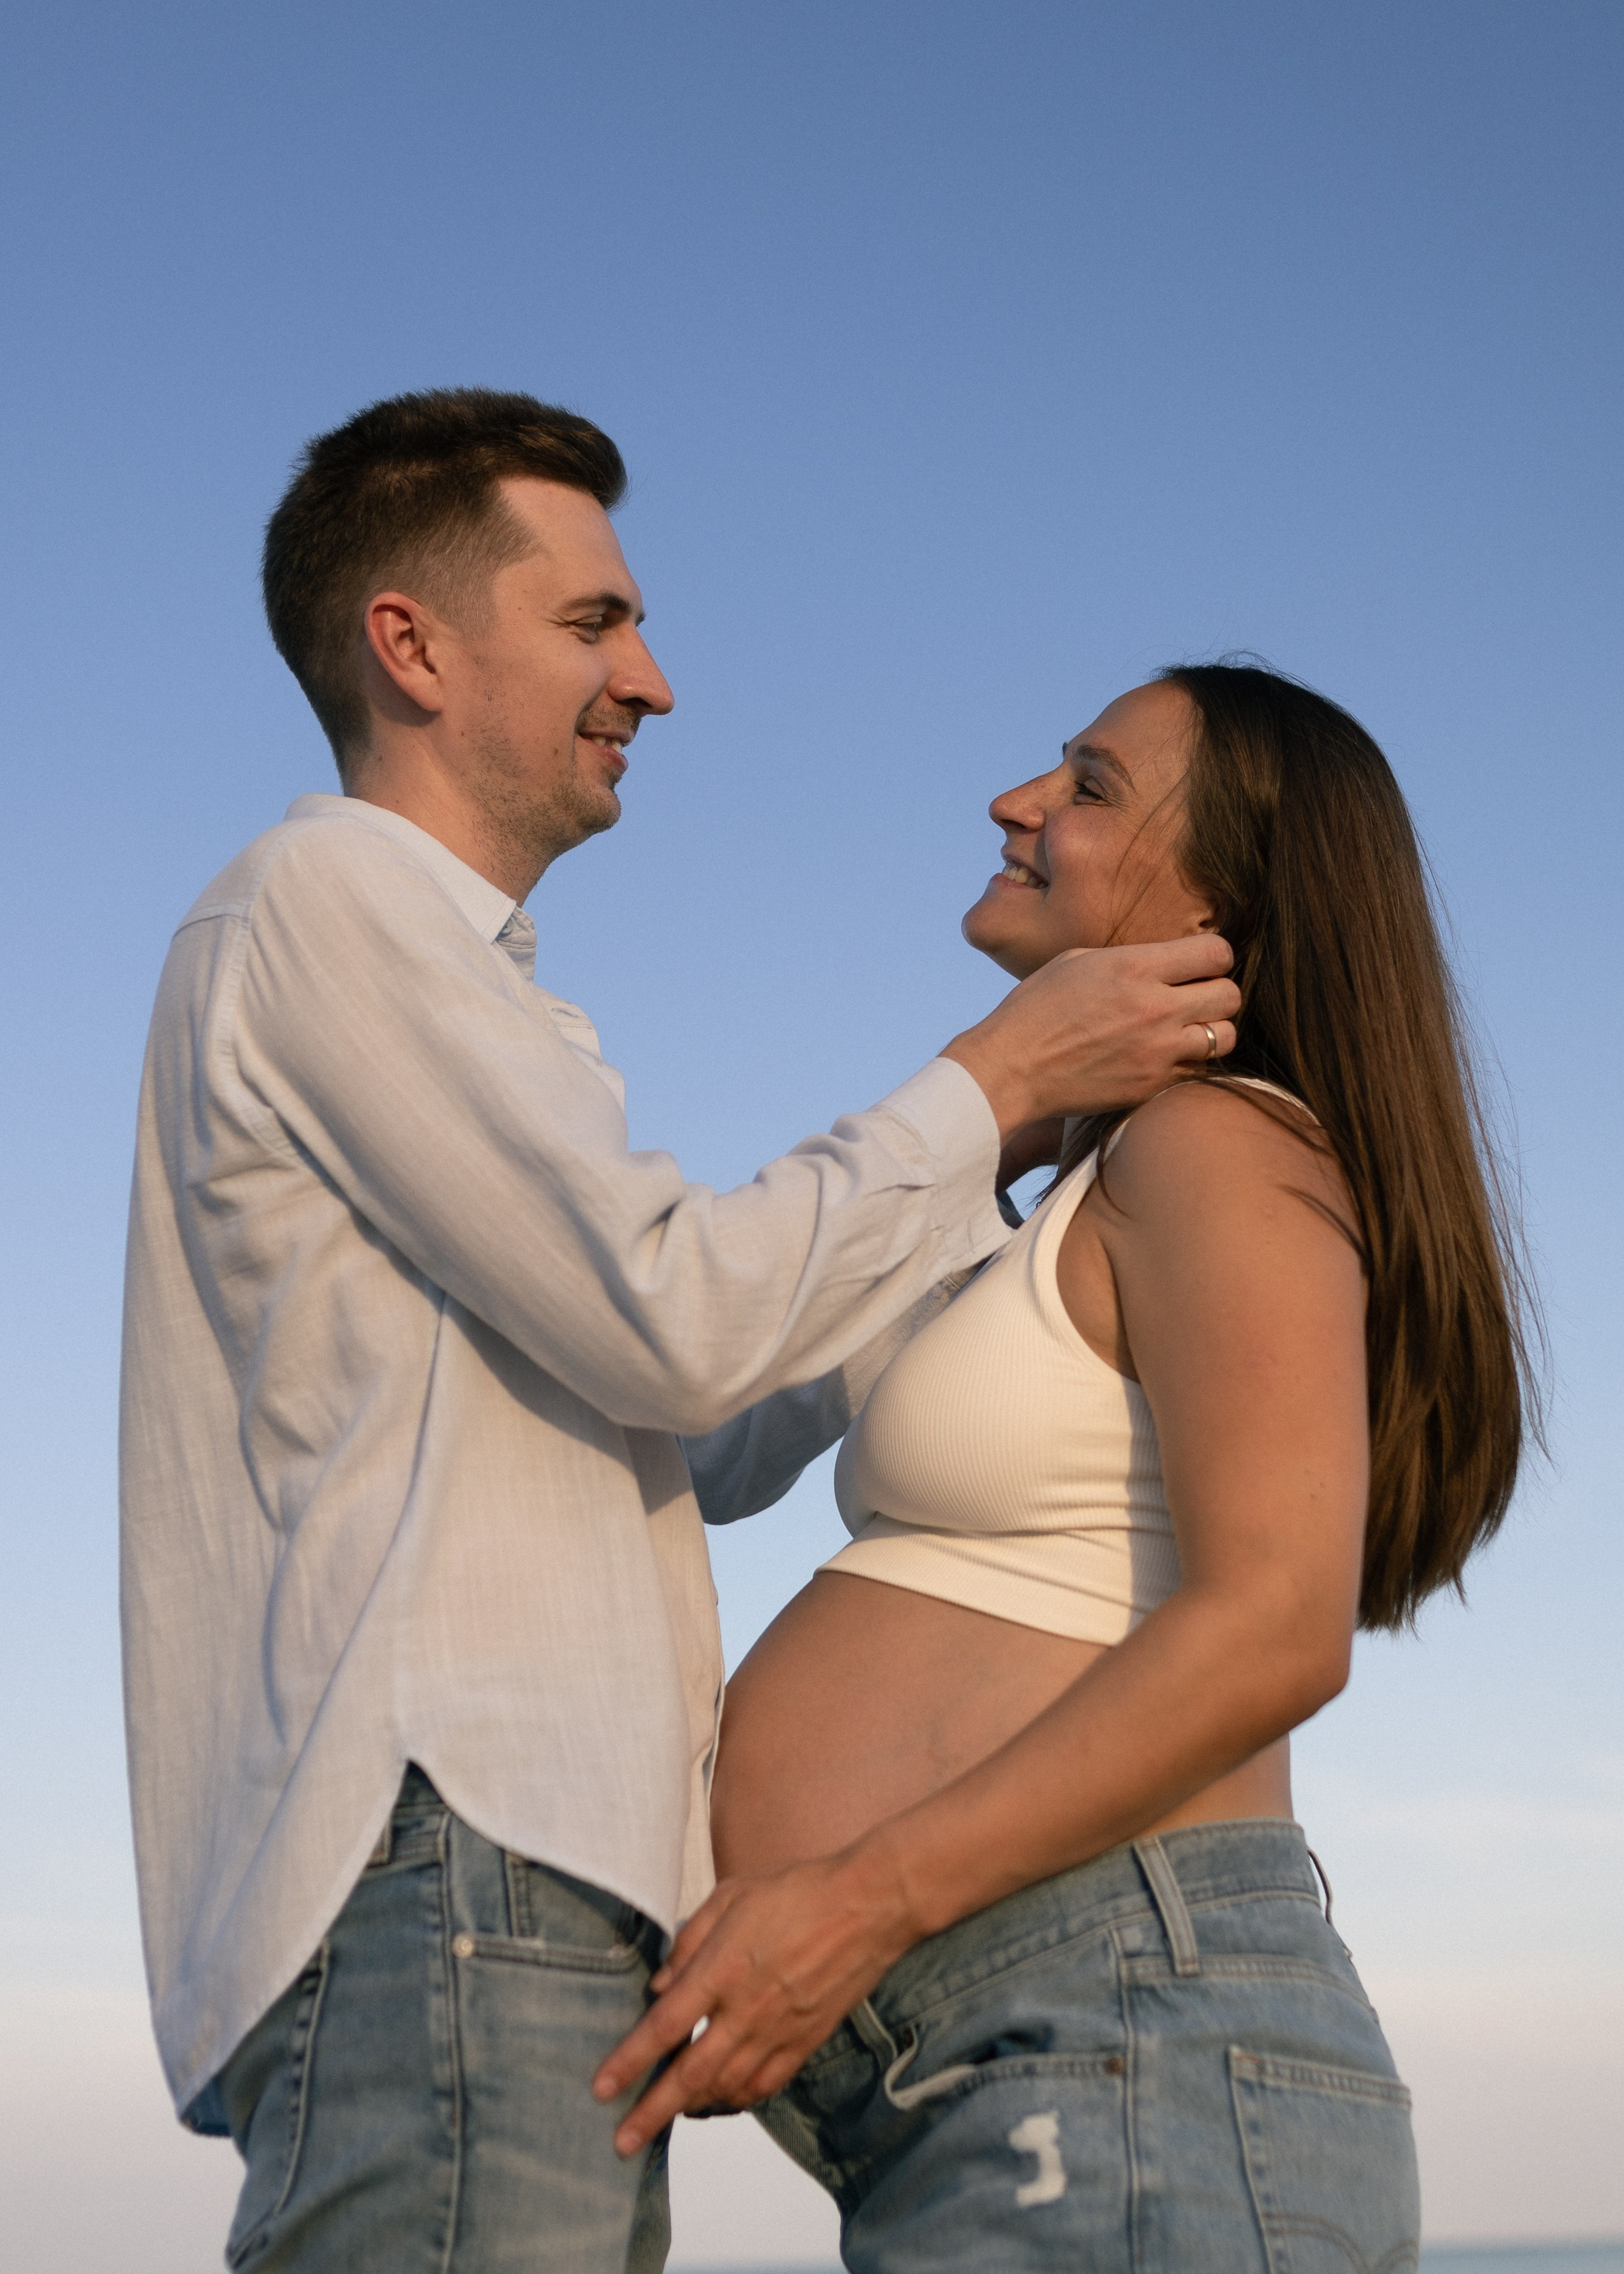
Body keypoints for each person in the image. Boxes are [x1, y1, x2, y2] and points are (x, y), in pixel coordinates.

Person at [119, 388, 1243, 2274]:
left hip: (531, 1904)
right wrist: (989, 1078)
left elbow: (701, 1439)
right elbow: (676, 1322)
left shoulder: (480, 999)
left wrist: (989, 1170)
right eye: (595, 622)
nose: (651, 678)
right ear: (409, 646)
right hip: (453, 1866)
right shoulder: (323, 900)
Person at [596, 662, 1536, 2271]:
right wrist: (998, 1106)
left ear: (1220, 901)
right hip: (1025, 2063)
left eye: (1089, 786)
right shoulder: (1074, 1197)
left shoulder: (1213, 1145)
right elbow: (703, 1414)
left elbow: (1275, 1626)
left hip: (1119, 2036)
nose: (1015, 801)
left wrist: (858, 1899)